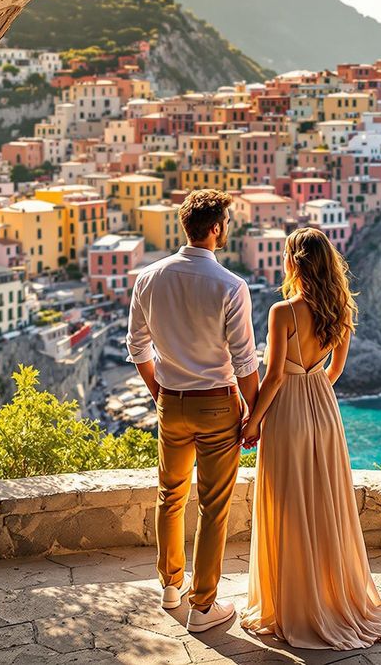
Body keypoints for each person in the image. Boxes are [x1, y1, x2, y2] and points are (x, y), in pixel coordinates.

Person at [239, 228, 381, 649]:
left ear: (293, 263)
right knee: (325, 503)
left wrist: (253, 421)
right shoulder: (341, 308)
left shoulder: (282, 311)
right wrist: (314, 388)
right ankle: (331, 596)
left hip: (287, 413)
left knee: (288, 505)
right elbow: (335, 371)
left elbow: (275, 375)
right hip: (324, 409)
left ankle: (292, 604)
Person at [126, 189, 259, 633]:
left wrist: (157, 391)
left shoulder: (148, 277)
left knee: (171, 495)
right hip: (218, 405)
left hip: (171, 402)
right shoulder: (231, 286)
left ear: (186, 226)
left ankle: (170, 585)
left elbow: (137, 346)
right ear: (217, 228)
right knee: (214, 506)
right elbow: (244, 361)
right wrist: (254, 413)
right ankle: (203, 608)